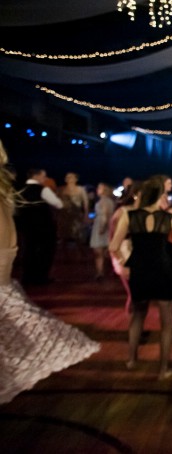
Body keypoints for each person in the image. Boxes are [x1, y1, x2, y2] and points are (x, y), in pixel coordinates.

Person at [0, 140, 99, 404]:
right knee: (41, 255)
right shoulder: (18, 193)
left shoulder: (15, 192)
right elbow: (58, 205)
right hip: (25, 246)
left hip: (18, 247)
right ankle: (39, 276)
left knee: (34, 255)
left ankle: (35, 276)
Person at [109, 177, 172, 380]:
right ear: (161, 195)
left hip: (139, 269)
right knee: (167, 323)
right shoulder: (170, 217)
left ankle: (131, 360)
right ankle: (163, 369)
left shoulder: (129, 215)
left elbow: (113, 246)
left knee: (137, 316)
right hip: (163, 270)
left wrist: (125, 263)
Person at [16, 168, 63, 285]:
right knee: (45, 250)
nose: (45, 179)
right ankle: (41, 277)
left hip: (26, 226)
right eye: (43, 176)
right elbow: (59, 204)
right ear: (36, 176)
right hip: (43, 225)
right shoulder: (43, 189)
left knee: (28, 250)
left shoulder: (20, 190)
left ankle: (27, 277)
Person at [89, 182, 115, 280]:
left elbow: (105, 215)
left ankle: (100, 272)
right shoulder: (108, 201)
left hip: (101, 226)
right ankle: (102, 271)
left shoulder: (104, 201)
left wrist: (102, 227)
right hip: (105, 226)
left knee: (99, 251)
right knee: (104, 251)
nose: (97, 190)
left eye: (99, 188)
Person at [57, 172, 89, 247]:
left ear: (76, 179)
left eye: (71, 177)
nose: (69, 179)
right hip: (64, 215)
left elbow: (86, 203)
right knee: (63, 236)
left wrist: (86, 215)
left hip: (76, 215)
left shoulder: (80, 189)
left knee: (77, 235)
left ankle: (79, 251)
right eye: (67, 177)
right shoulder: (61, 189)